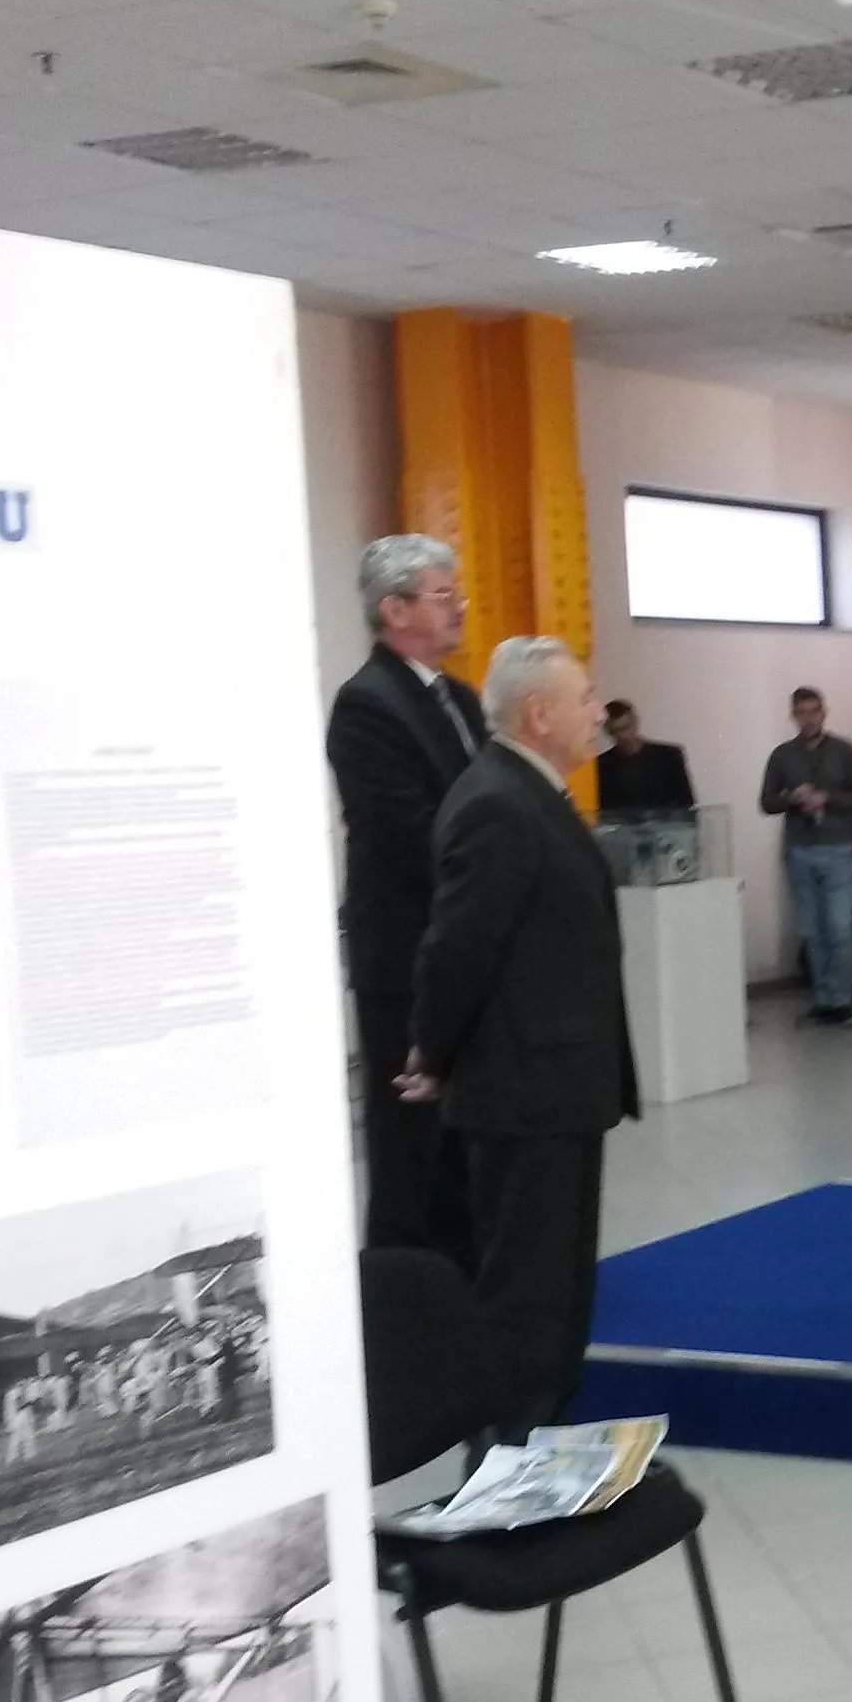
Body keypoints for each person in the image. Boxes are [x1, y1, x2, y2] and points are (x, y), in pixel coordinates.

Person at [406, 635, 639, 1435]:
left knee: (560, 1287)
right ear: (539, 715)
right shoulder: (498, 803)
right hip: (523, 1091)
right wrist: (433, 1051)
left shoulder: (529, 792)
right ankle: (506, 1458)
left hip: (558, 1087)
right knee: (526, 1295)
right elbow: (456, 949)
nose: (597, 712)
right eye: (584, 698)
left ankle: (542, 1440)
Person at [325, 534, 483, 1259]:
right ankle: (405, 1293)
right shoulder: (366, 705)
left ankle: (466, 1284)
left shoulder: (462, 699)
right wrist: (498, 868)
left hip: (464, 947)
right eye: (444, 595)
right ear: (394, 609)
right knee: (410, 1147)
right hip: (407, 959)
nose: (460, 607)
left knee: (464, 1141)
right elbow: (409, 835)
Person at [758, 686, 852, 1028]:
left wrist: (827, 798)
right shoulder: (783, 755)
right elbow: (766, 802)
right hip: (800, 849)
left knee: (839, 927)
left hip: (838, 848)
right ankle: (823, 1000)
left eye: (814, 711)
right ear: (793, 715)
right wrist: (792, 799)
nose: (808, 719)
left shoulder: (845, 751)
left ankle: (843, 1001)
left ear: (824, 713)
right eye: (801, 712)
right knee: (812, 930)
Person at [598, 701, 697, 816]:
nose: (622, 735)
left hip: (667, 825)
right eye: (615, 731)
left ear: (635, 723)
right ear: (607, 731)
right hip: (625, 827)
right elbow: (605, 812)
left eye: (626, 727)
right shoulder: (601, 765)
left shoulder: (669, 756)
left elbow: (686, 802)